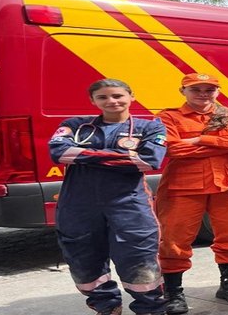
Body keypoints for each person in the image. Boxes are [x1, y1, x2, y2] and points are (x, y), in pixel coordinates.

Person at [48, 79, 167, 315]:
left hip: (129, 205)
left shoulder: (150, 128)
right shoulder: (76, 125)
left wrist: (83, 155)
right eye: (103, 97)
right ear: (93, 101)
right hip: (78, 206)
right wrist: (123, 157)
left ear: (131, 96)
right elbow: (57, 152)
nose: (111, 101)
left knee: (138, 258)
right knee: (83, 259)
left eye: (118, 96)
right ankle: (107, 306)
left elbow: (147, 161)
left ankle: (150, 309)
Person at [156, 73, 228, 314]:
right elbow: (172, 148)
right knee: (174, 241)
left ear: (217, 91)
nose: (203, 94)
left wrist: (200, 140)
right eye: (196, 89)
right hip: (183, 186)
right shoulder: (168, 116)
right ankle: (173, 292)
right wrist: (227, 142)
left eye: (209, 89)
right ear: (182, 91)